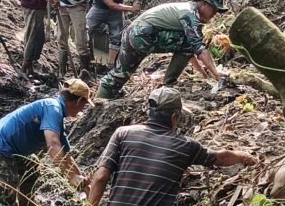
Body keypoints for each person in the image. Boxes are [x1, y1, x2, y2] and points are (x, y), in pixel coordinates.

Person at [88, 87, 257, 205]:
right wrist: (244, 156)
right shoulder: (186, 146)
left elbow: (101, 176)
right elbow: (220, 158)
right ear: (175, 116)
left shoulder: (123, 133)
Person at [97, 0, 229, 99]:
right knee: (190, 44)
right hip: (144, 35)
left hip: (131, 34)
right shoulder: (190, 14)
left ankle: (99, 100)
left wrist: (203, 73)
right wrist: (216, 74)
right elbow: (196, 47)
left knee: (120, 74)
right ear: (204, 3)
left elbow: (189, 50)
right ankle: (169, 85)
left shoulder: (185, 9)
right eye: (214, 9)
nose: (214, 14)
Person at [0, 79, 94, 205]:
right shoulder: (53, 108)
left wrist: (84, 185)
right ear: (78, 101)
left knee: (32, 168)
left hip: (10, 149)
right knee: (5, 200)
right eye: (84, 105)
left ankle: (27, 203)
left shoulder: (57, 115)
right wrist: (71, 177)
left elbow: (66, 155)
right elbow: (53, 145)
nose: (82, 110)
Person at [87, 0, 144, 66]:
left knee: (116, 36)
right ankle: (88, 59)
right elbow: (111, 5)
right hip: (99, 9)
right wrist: (131, 8)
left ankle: (111, 64)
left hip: (116, 11)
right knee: (86, 30)